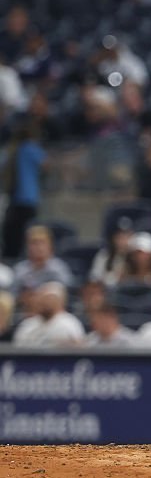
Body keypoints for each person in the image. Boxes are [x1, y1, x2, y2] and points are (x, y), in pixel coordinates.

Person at [2, 120, 47, 258]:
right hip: (26, 200)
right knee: (24, 234)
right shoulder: (31, 149)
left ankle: (13, 259)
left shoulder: (11, 150)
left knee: (13, 235)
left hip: (16, 200)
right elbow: (45, 164)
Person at [12, 282, 84, 347]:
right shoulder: (28, 324)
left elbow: (78, 349)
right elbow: (17, 349)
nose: (45, 302)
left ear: (60, 301)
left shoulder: (70, 324)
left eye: (49, 298)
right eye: (41, 298)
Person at [11, 226, 73, 298]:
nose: (39, 247)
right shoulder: (20, 269)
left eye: (42, 243)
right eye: (34, 243)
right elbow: (12, 294)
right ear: (27, 247)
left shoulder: (58, 268)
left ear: (50, 246)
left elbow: (66, 293)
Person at [118, 232, 151, 300]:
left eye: (143, 253)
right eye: (136, 253)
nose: (139, 256)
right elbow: (119, 292)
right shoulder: (125, 271)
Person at [90, 217, 133, 287]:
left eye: (127, 237)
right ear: (113, 238)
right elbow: (95, 279)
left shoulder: (137, 255)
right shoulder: (104, 256)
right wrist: (115, 278)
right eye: (120, 237)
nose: (123, 242)